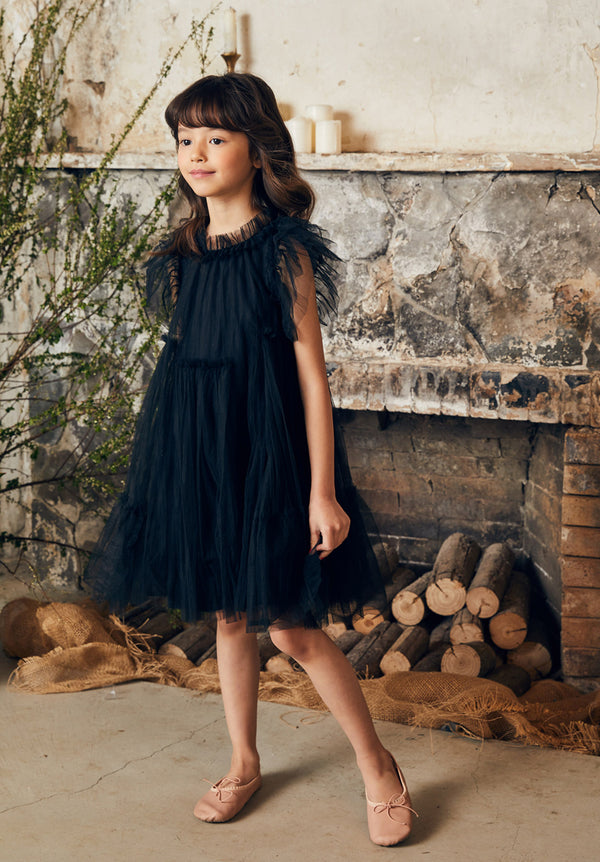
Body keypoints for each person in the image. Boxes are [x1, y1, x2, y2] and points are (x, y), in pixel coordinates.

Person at [86, 72, 416, 846]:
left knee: (293, 630)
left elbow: (312, 379)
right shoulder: (181, 254)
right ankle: (243, 762)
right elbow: (185, 366)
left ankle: (378, 767)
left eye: (216, 137)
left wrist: (322, 492)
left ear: (257, 150)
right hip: (199, 453)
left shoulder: (283, 252)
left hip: (272, 458)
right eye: (184, 139)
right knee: (229, 617)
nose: (196, 153)